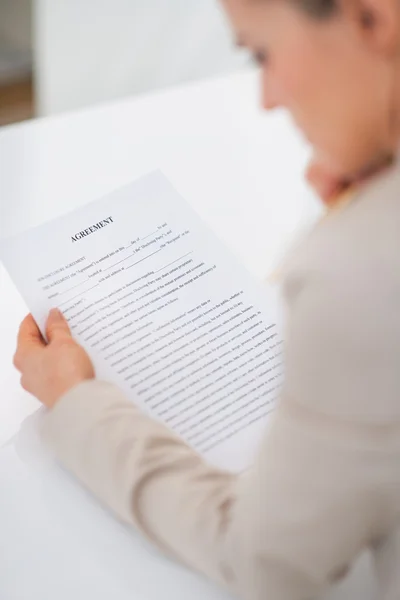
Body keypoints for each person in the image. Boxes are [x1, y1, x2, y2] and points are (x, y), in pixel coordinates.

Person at [13, 0, 400, 598]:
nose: (266, 97)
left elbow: (266, 560)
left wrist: (74, 401)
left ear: (371, 20)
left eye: (261, 53)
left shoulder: (357, 272)